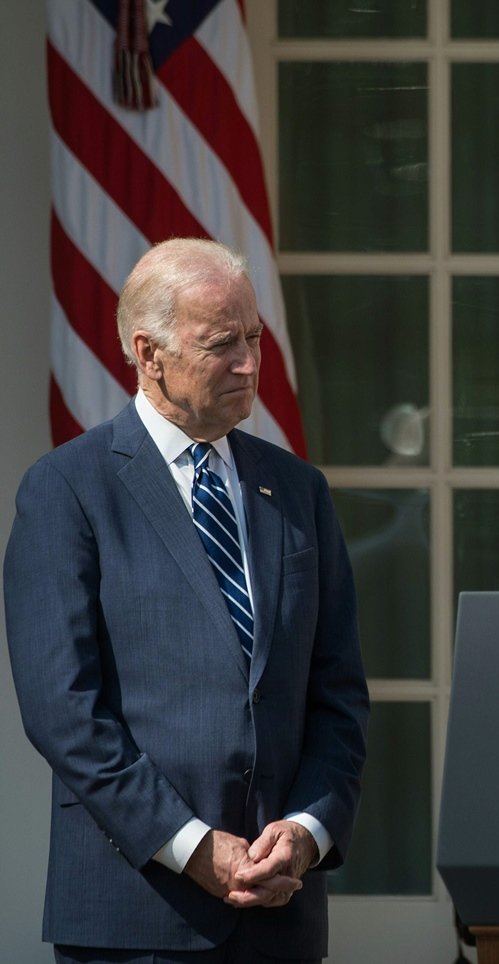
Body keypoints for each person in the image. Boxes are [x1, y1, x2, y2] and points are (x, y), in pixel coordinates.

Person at [4, 238, 370, 963]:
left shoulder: (297, 490)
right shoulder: (69, 489)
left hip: (278, 915)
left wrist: (306, 830)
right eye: (221, 344)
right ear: (148, 354)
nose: (249, 364)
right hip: (135, 914)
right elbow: (63, 709)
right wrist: (189, 845)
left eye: (255, 339)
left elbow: (337, 694)